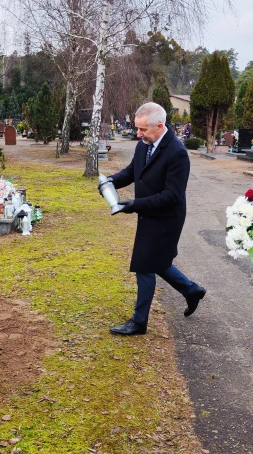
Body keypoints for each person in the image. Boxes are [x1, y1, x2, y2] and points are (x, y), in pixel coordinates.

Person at [106, 102, 206, 336]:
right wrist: (111, 180)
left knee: (145, 265)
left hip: (166, 217)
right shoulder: (145, 144)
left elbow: (172, 196)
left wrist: (133, 206)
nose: (138, 134)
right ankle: (192, 290)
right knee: (158, 262)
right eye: (137, 129)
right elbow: (132, 172)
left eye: (143, 130)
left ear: (159, 126)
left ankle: (139, 322)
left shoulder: (177, 152)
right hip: (148, 212)